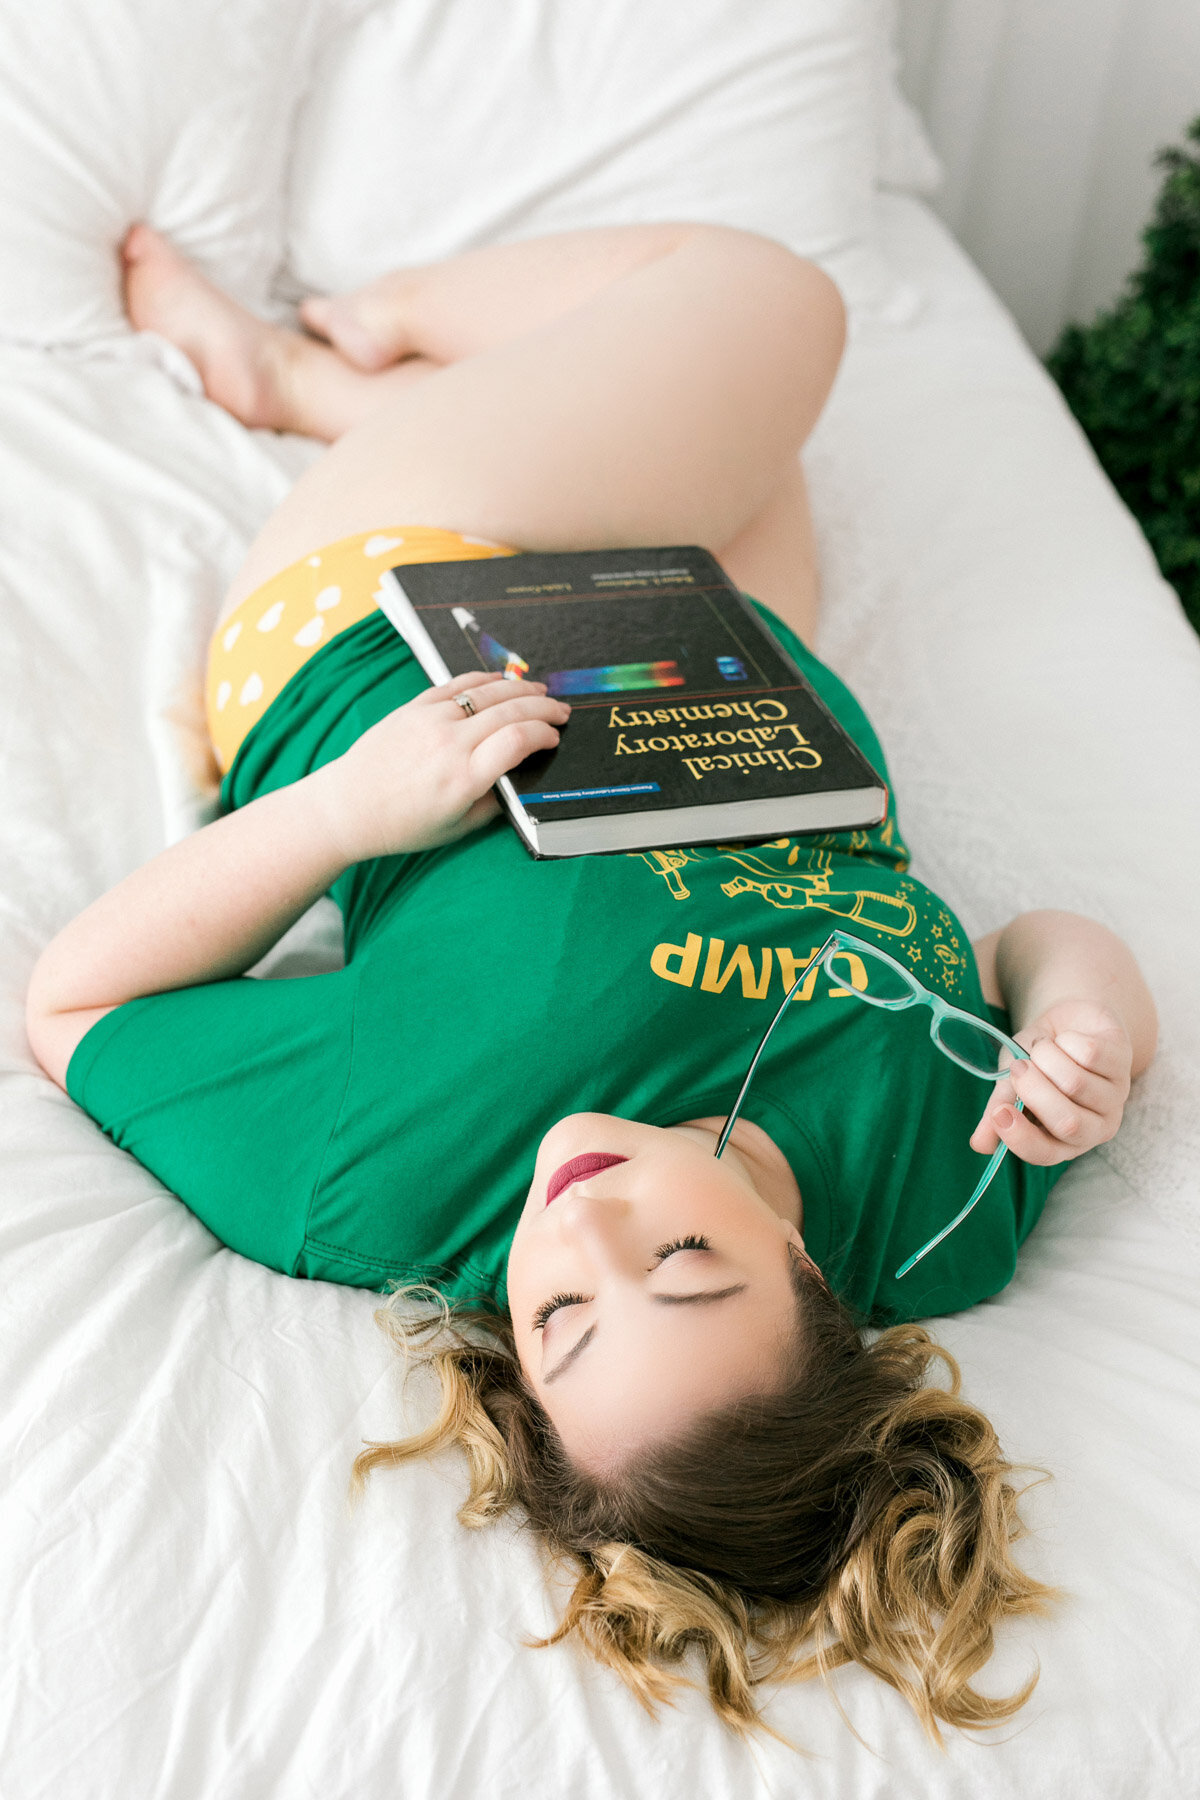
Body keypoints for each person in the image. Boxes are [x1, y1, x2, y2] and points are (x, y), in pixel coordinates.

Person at [26, 221, 1157, 1742]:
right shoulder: (948, 1206)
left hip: (396, 603)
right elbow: (1033, 946)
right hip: (741, 668)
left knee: (775, 304)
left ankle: (337, 340)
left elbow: (72, 1008)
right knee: (765, 451)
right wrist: (1099, 1028)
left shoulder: (391, 1178)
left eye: (558, 1319)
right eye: (688, 1260)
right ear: (820, 1283)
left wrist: (348, 810)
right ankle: (370, 381)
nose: (587, 1219)